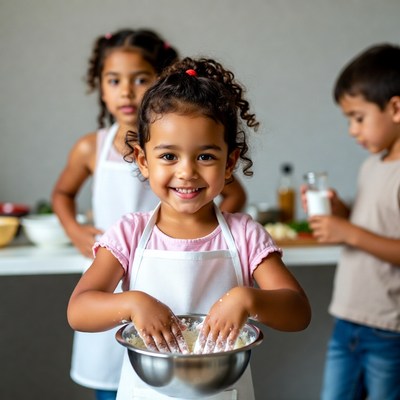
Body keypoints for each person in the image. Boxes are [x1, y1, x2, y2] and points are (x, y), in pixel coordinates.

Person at [67, 57, 312, 400]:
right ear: (143, 160)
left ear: (230, 163)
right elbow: (79, 311)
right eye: (168, 156)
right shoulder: (129, 234)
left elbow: (298, 312)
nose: (187, 172)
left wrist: (247, 297)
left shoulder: (244, 234)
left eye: (205, 157)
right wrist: (132, 303)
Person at [53, 29, 247, 400]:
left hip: (193, 328)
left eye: (140, 79)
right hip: (116, 277)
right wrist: (76, 230)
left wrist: (219, 234)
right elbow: (80, 308)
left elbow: (234, 194)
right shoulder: (93, 153)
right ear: (143, 161)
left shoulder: (187, 140)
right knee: (118, 379)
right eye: (114, 80)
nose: (126, 91)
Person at [301, 44, 400, 400]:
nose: (352, 130)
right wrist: (339, 212)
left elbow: (368, 238)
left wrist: (349, 232)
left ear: (396, 108)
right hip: (348, 319)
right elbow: (372, 223)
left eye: (358, 117)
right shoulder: (372, 166)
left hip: (389, 329)